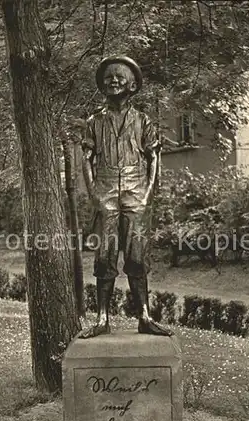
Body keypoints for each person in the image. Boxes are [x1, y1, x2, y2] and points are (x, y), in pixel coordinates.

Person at [80, 55, 172, 339]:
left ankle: (144, 316)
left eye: (120, 76)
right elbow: (86, 158)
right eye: (109, 76)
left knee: (137, 257)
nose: (114, 80)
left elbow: (154, 158)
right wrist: (94, 192)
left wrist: (146, 194)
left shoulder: (143, 120)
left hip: (136, 191)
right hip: (106, 190)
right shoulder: (94, 121)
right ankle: (102, 318)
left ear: (133, 85)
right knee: (104, 257)